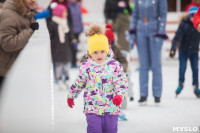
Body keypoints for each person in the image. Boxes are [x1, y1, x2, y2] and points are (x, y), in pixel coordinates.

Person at [67, 24, 128, 133]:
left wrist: (119, 95)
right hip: (92, 108)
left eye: (102, 51)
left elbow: (121, 83)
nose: (99, 55)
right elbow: (79, 82)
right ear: (90, 52)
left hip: (111, 108)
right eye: (95, 52)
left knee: (111, 130)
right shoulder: (86, 66)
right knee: (94, 130)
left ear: (107, 50)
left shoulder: (115, 65)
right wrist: (71, 96)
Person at [129, 0, 167, 105]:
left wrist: (161, 33)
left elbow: (163, 16)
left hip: (154, 29)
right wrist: (132, 34)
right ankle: (143, 94)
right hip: (141, 30)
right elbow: (134, 16)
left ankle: (157, 94)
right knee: (143, 65)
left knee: (156, 64)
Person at [0, 0, 38, 91]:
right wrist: (29, 30)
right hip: (4, 72)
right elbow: (8, 44)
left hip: (15, 69)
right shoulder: (10, 15)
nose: (34, 1)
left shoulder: (27, 13)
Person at [170, 6, 200, 98]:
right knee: (182, 69)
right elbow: (176, 37)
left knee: (195, 69)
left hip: (194, 51)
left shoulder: (198, 26)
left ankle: (196, 86)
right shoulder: (184, 25)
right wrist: (173, 49)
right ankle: (181, 83)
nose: (192, 19)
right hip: (183, 51)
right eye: (191, 16)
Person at [48, 4, 72, 89]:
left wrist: (73, 40)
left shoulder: (65, 21)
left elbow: (69, 33)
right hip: (57, 47)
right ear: (59, 13)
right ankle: (59, 80)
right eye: (65, 12)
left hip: (65, 46)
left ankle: (67, 79)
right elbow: (51, 35)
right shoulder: (53, 23)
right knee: (58, 65)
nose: (66, 14)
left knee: (66, 63)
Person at [68, 0, 83, 68]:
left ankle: (73, 62)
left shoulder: (77, 6)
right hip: (70, 31)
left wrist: (81, 27)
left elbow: (79, 18)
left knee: (75, 47)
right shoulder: (67, 5)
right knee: (70, 47)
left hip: (77, 30)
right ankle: (70, 62)